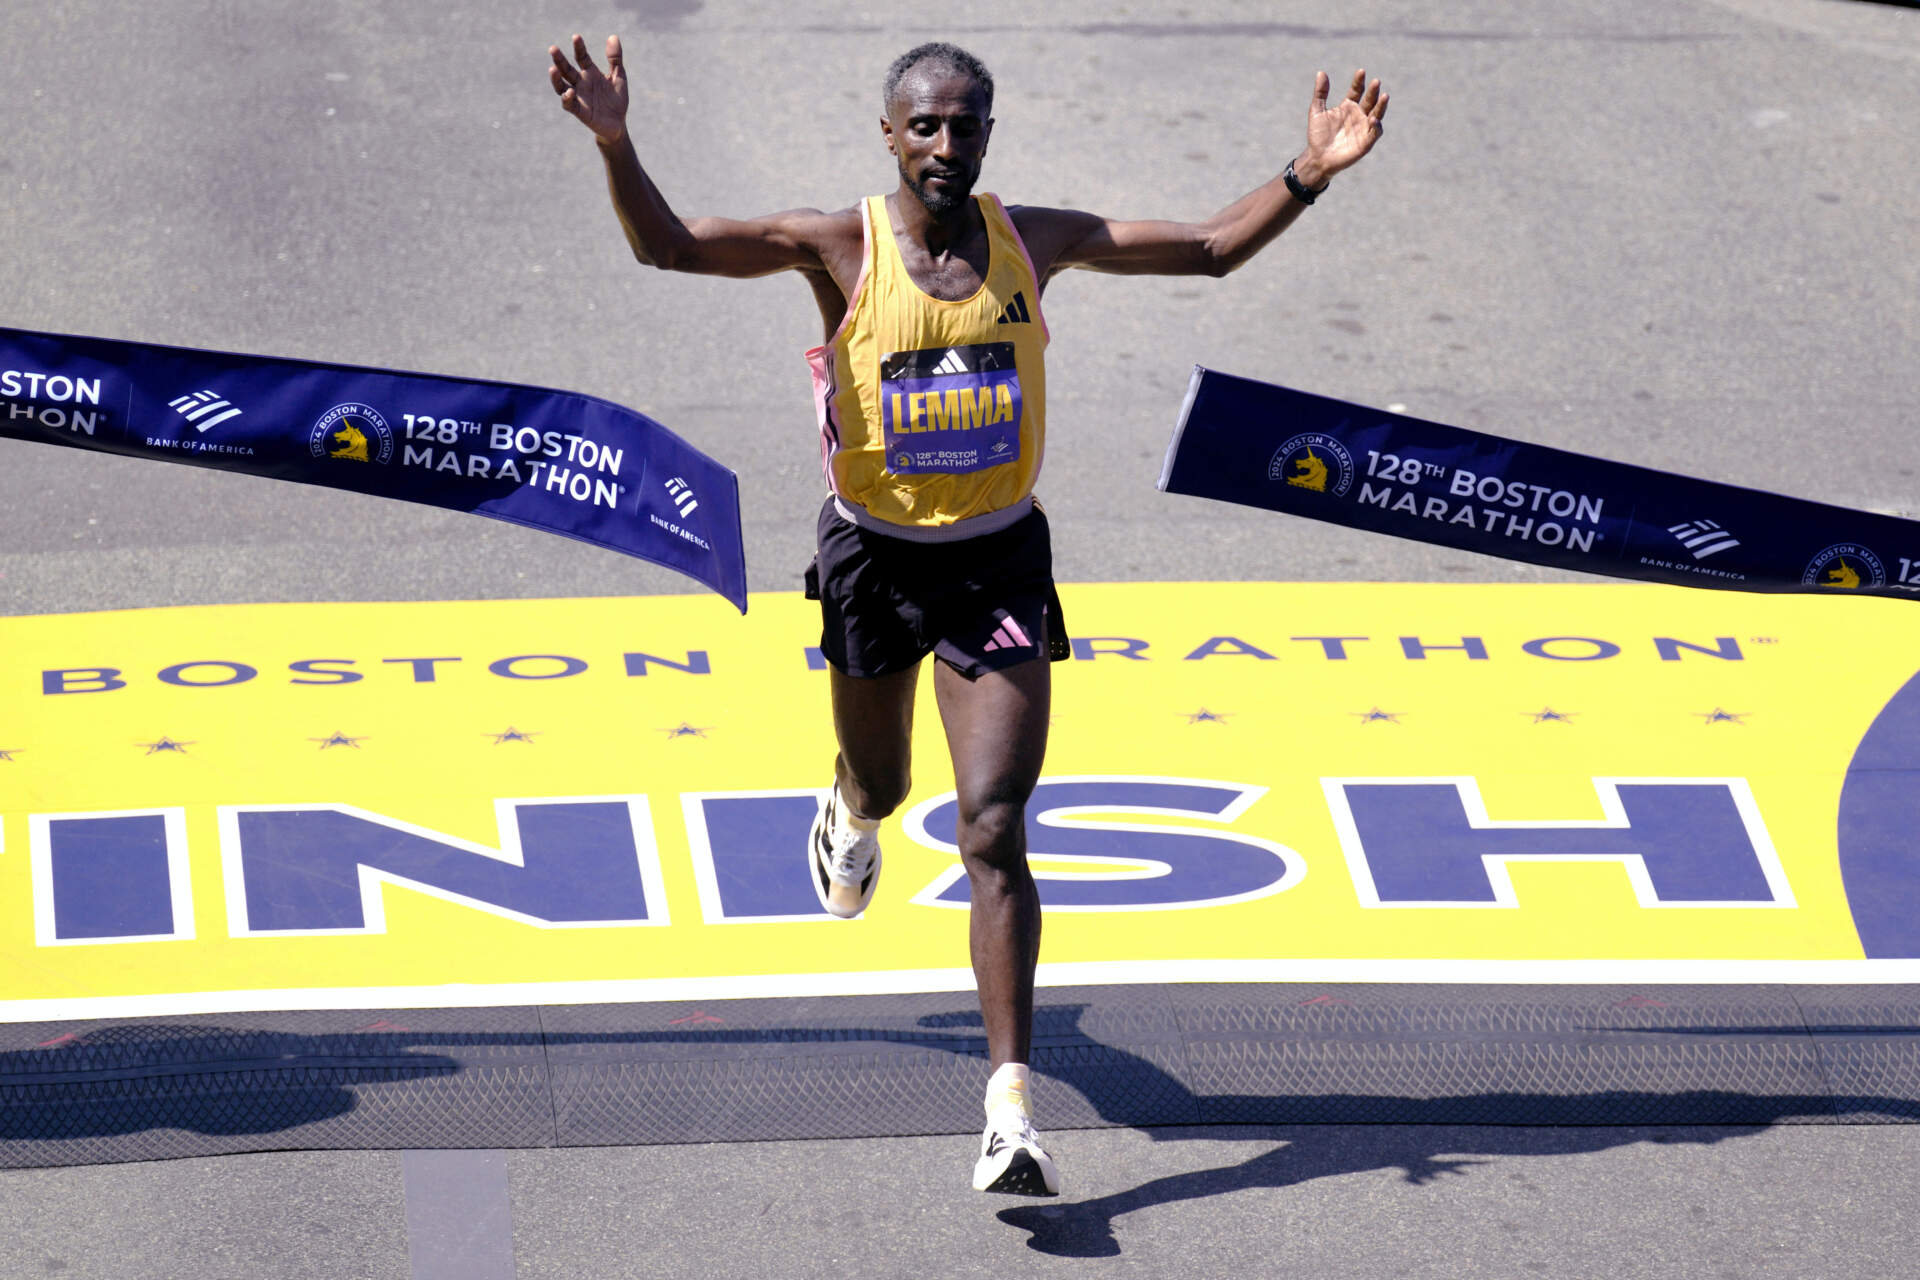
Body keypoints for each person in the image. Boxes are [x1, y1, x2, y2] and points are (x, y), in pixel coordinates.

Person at [547, 34, 1387, 1196]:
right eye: (926, 127)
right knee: (887, 784)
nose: (947, 145)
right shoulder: (838, 245)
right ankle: (848, 802)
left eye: (967, 125)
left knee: (993, 825)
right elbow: (672, 246)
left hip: (995, 562)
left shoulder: (1028, 241)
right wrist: (616, 141)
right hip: (873, 561)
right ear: (890, 136)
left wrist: (1311, 171)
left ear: (988, 134)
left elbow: (1203, 250)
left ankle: (1010, 1109)